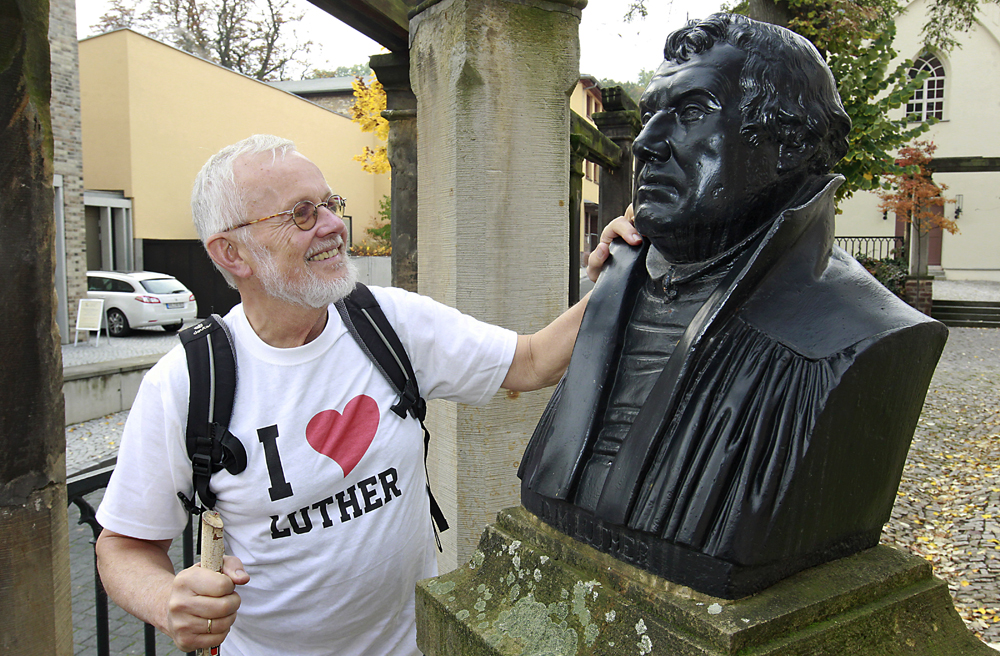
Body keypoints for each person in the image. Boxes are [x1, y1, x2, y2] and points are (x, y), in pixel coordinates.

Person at [94, 134, 634, 655]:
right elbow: (122, 547)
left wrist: (622, 274)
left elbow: (533, 360)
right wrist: (169, 601)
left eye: (330, 204)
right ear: (232, 252)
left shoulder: (389, 320)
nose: (333, 226)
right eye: (302, 213)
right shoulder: (186, 382)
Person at [519, 14, 948, 599]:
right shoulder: (619, 286)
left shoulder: (857, 337)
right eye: (651, 115)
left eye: (692, 112)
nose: (646, 143)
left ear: (789, 142)